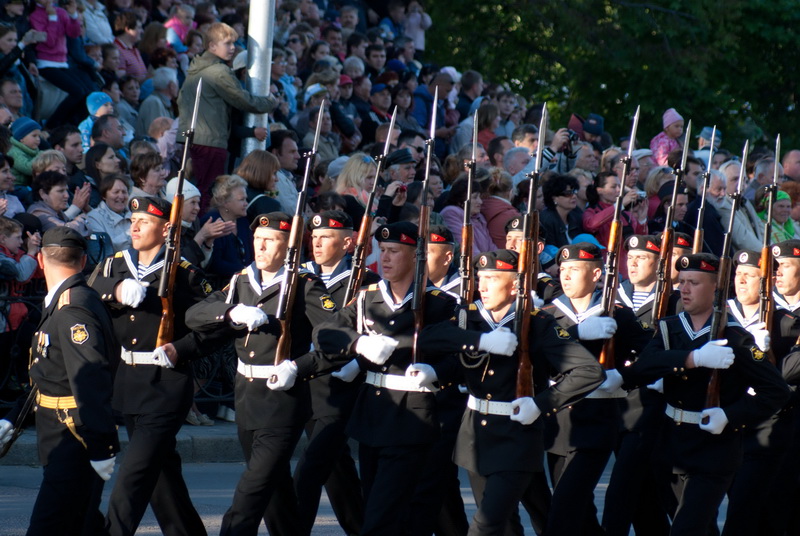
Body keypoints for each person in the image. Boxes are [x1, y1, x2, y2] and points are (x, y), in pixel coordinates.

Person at [407, 248, 604, 535]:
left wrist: (541, 404)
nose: (483, 286)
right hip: (475, 435)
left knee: (485, 525)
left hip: (517, 437)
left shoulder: (537, 323)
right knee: (503, 527)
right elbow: (429, 337)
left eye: (493, 278)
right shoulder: (469, 317)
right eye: (481, 278)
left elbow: (589, 371)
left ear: (514, 285)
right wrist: (480, 341)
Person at [185, 211, 339, 536]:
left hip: (283, 401)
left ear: (288, 247)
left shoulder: (304, 286)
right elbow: (195, 314)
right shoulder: (241, 281)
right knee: (276, 493)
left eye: (270, 241)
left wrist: (298, 366)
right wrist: (231, 311)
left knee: (250, 492)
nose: (261, 246)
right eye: (257, 239)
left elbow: (335, 336)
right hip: (247, 397)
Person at [312, 221, 459, 535]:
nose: (386, 258)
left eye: (394, 251)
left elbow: (462, 354)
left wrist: (438, 373)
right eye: (383, 251)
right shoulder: (367, 298)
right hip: (373, 417)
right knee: (389, 514)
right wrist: (357, 343)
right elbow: (324, 331)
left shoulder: (439, 304)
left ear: (415, 257)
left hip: (413, 418)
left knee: (380, 518)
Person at [629, 252, 790, 534]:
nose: (684, 289)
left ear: (715, 287)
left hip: (714, 451)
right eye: (682, 282)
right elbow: (643, 368)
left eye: (694, 282)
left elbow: (775, 390)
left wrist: (730, 415)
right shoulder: (670, 329)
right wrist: (692, 359)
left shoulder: (736, 337)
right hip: (670, 446)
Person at [90, 196, 214, 536]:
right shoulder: (115, 265)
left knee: (134, 474)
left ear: (166, 229)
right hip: (127, 382)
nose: (134, 227)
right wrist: (115, 288)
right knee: (162, 477)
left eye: (144, 221)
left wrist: (182, 349)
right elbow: (90, 287)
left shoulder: (184, 273)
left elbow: (213, 325)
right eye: (133, 220)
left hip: (165, 386)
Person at [0, 226, 118, 534]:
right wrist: (15, 417)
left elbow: (90, 378)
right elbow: (51, 372)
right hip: (63, 433)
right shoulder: (66, 300)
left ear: (40, 260)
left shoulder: (73, 307)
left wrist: (100, 445)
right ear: (82, 262)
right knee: (83, 522)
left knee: (48, 525)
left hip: (74, 437)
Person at [293, 210, 381, 535]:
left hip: (344, 388)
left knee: (311, 467)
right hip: (306, 384)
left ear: (347, 243)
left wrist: (356, 362)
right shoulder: (299, 277)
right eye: (313, 237)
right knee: (336, 468)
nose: (316, 243)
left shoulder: (368, 283)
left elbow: (377, 332)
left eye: (325, 237)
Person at [722, 249, 800, 536]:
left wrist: (759, 351)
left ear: (765, 282)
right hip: (726, 422)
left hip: (768, 427)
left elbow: (788, 370)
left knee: (750, 512)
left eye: (749, 276)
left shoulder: (784, 322)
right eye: (738, 276)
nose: (741, 282)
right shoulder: (722, 317)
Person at [602, 234, 672, 535]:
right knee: (644, 491)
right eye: (629, 257)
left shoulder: (673, 300)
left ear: (658, 265)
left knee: (622, 484)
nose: (632, 262)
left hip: (648, 405)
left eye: (641, 258)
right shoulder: (612, 297)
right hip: (614, 400)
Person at [177, 22, 276, 213]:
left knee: (200, 188)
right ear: (212, 46)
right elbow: (243, 99)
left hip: (196, 139)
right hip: (210, 141)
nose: (233, 48)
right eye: (227, 43)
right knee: (209, 192)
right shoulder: (219, 72)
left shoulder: (196, 68)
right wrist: (270, 102)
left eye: (233, 43)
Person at [583, 171, 648, 278]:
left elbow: (639, 241)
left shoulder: (626, 214)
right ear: (600, 190)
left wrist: (642, 219)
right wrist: (619, 205)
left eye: (619, 186)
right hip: (605, 271)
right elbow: (591, 225)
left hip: (628, 270)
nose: (618, 190)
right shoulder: (592, 211)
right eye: (613, 187)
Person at [201, 174, 253, 282]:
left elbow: (251, 255)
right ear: (225, 202)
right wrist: (244, 271)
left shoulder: (243, 222)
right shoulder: (211, 222)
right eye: (241, 200)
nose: (246, 203)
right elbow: (214, 264)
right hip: (219, 286)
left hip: (244, 280)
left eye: (246, 199)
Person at [440, 177, 494, 256]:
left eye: (480, 197)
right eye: (475, 197)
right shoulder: (451, 213)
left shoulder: (479, 217)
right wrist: (486, 263)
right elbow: (466, 246)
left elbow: (491, 246)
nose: (480, 201)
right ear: (462, 198)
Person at [86, 173, 132, 251]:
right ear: (104, 195)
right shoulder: (94, 217)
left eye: (124, 192)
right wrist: (131, 232)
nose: (121, 196)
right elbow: (105, 248)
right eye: (116, 192)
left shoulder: (136, 214)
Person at [540, 173, 584, 249]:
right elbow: (550, 250)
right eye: (568, 193)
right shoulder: (547, 220)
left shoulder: (576, 214)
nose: (574, 196)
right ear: (554, 198)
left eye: (574, 192)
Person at [135, 66, 178, 137]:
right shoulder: (153, 103)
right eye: (176, 82)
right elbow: (156, 136)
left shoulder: (162, 102)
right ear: (171, 85)